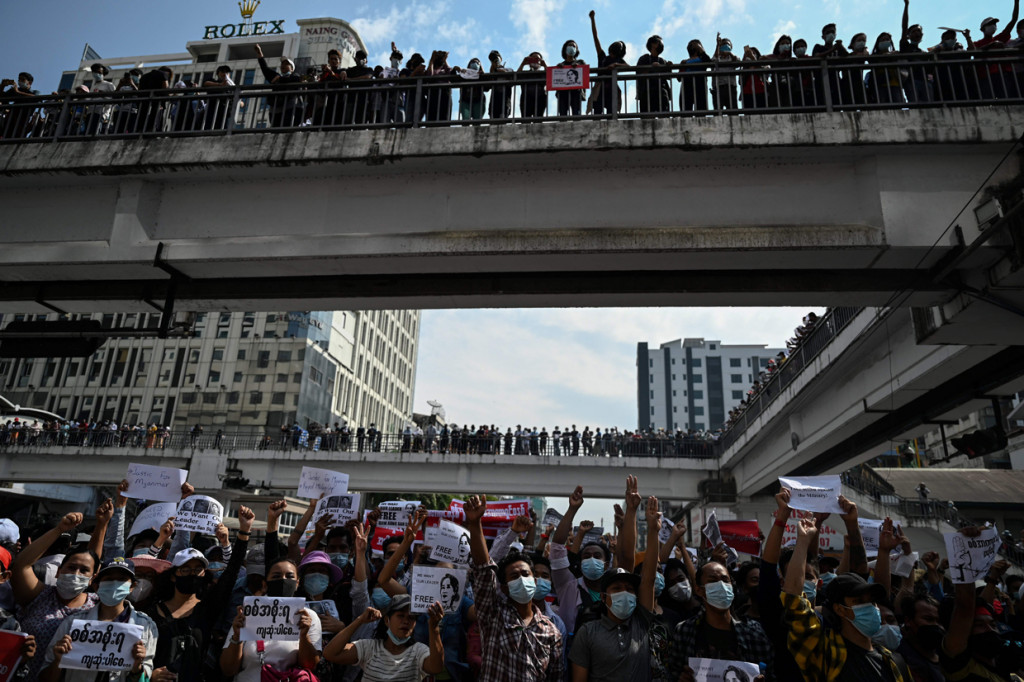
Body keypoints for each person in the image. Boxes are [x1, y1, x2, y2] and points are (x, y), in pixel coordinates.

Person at [782, 514, 907, 681]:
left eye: (871, 601)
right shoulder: (825, 653)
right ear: (840, 609)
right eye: (859, 601)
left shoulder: (894, 662)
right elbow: (794, 599)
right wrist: (803, 542)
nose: (870, 607)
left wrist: (884, 552)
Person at [464, 494, 563, 680]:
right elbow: (484, 569)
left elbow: (555, 677)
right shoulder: (493, 614)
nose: (522, 579)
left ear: (534, 582)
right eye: (514, 576)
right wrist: (475, 524)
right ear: (504, 588)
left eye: (526, 574)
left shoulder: (552, 631)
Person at [148, 506, 252, 680]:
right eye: (185, 569)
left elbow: (232, 571)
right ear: (173, 576)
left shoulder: (208, 608)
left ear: (204, 574)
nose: (192, 574)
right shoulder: (151, 612)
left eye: (198, 570)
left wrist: (244, 531)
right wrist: (149, 674)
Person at [12, 505, 111, 680]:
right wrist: (59, 530)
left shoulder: (96, 605)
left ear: (92, 579)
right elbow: (21, 566)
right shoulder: (40, 596)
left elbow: (91, 559)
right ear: (58, 571)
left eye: (83, 571)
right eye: (71, 568)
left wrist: (102, 525)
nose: (75, 574)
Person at [569, 494, 661, 682]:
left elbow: (649, 578)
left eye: (629, 589)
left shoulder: (641, 622)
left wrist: (653, 531)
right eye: (617, 588)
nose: (624, 593)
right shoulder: (587, 632)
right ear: (603, 597)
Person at [40, 557, 158, 682]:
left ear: (132, 586)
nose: (115, 584)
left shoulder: (146, 626)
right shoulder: (72, 623)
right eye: (109, 579)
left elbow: (144, 678)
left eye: (122, 579)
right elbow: (45, 677)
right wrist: (58, 660)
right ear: (96, 586)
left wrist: (137, 667)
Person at [665, 558, 774, 681]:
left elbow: (771, 674)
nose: (721, 585)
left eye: (725, 580)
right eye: (713, 581)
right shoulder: (684, 631)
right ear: (699, 590)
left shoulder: (754, 633)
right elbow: (673, 673)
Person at [220, 558, 323, 681]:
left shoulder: (308, 617)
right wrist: (237, 637)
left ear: (297, 583)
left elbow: (310, 665)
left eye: (289, 576)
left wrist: (304, 636)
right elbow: (228, 670)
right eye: (276, 576)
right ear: (265, 584)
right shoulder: (248, 613)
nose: (283, 580)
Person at [324, 595, 445, 680]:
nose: (406, 621)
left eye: (411, 618)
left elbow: (436, 668)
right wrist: (359, 620)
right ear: (387, 620)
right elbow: (330, 654)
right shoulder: (369, 647)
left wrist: (434, 628)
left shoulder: (418, 651)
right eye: (400, 616)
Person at [974, 2, 1021, 100]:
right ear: (982, 29)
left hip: (1004, 74)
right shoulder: (977, 43)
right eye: (990, 24)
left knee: (1006, 100)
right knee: (989, 101)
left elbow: (1014, 20)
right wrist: (992, 44)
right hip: (986, 76)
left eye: (994, 24)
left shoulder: (1000, 38)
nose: (993, 26)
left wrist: (1016, 2)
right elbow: (975, 52)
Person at [588, 10, 628, 115]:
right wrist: (592, 19)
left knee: (611, 114)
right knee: (597, 113)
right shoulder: (602, 57)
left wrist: (616, 65)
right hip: (600, 88)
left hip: (611, 89)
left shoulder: (618, 60)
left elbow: (628, 66)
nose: (611, 55)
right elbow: (595, 38)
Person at [899, 0, 933, 103]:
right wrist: (906, 5)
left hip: (925, 82)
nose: (917, 33)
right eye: (914, 31)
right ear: (908, 35)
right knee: (915, 106)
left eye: (919, 31)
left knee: (929, 106)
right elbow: (904, 27)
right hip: (911, 82)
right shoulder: (905, 47)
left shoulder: (924, 53)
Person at [637, 35, 672, 113]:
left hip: (662, 93)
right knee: (646, 118)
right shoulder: (644, 59)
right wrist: (651, 67)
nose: (661, 46)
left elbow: (669, 76)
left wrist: (668, 67)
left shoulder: (662, 60)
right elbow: (639, 73)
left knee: (664, 117)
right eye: (659, 43)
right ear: (653, 44)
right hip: (646, 93)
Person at [679, 40, 712, 112]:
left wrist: (700, 49)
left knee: (701, 111)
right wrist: (681, 66)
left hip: (700, 86)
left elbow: (709, 62)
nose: (693, 46)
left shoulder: (703, 59)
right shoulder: (685, 62)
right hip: (686, 87)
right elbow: (679, 78)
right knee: (686, 112)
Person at [556, 40, 586, 116]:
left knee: (576, 114)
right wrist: (558, 68)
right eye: (570, 45)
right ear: (565, 48)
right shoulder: (561, 64)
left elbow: (585, 72)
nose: (572, 47)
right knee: (562, 114)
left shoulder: (580, 62)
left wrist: (578, 66)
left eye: (574, 46)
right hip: (563, 93)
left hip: (576, 92)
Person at [202, 66, 235, 131]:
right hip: (212, 111)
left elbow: (240, 102)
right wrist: (220, 85)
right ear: (218, 73)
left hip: (226, 113)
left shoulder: (231, 87)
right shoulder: (213, 81)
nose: (225, 74)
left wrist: (238, 101)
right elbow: (206, 83)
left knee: (224, 131)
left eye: (227, 72)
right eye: (222, 72)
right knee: (209, 130)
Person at [517, 52, 548, 118]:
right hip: (526, 99)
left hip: (540, 99)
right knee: (525, 120)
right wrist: (523, 63)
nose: (535, 60)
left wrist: (545, 65)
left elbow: (550, 77)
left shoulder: (542, 74)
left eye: (537, 59)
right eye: (533, 58)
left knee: (538, 120)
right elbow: (517, 77)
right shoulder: (525, 73)